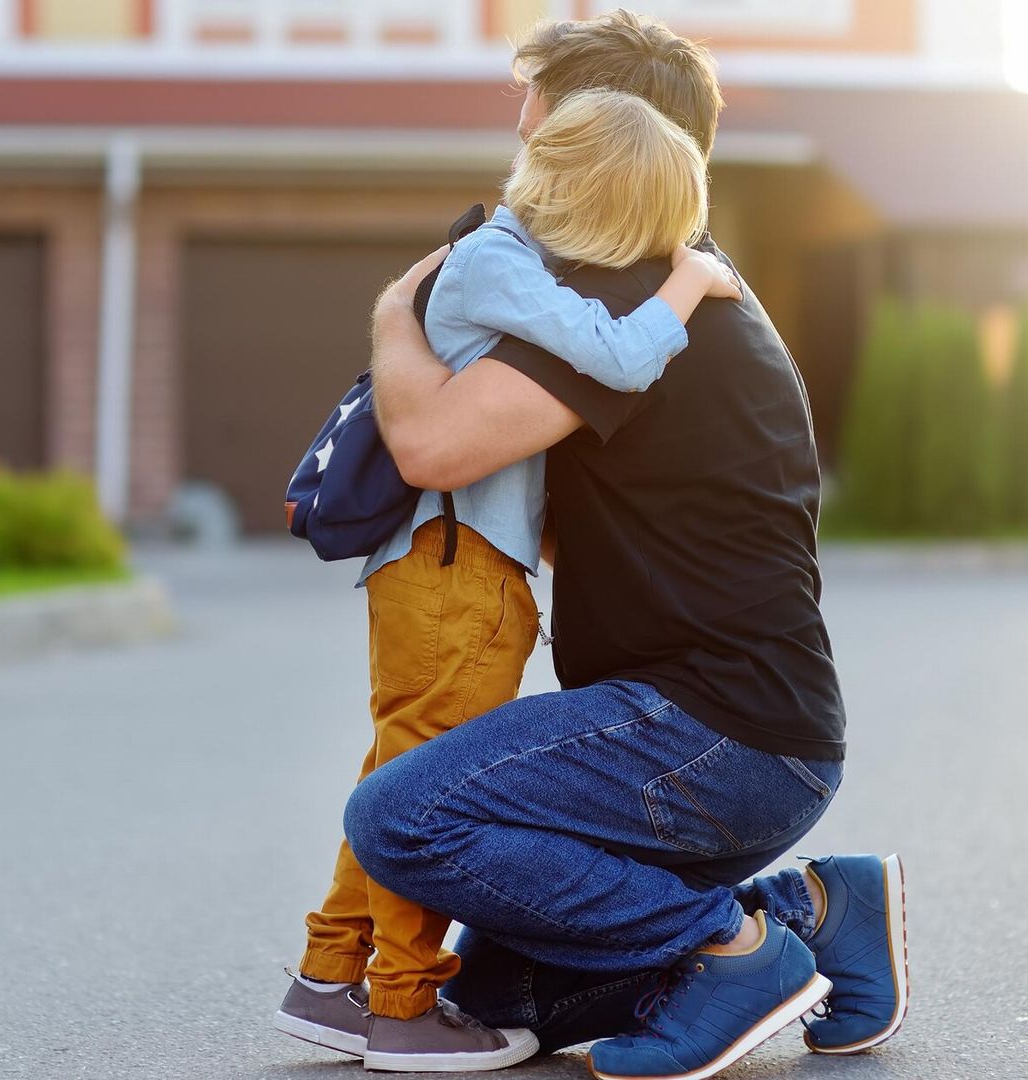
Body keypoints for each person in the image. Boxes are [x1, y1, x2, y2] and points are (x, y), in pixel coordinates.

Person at [337, 10, 908, 1080]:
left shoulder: (623, 292)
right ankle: (819, 911)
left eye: (535, 106)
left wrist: (395, 309)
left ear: (598, 126)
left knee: (403, 821)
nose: (520, 128)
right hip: (741, 739)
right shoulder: (670, 279)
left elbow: (429, 443)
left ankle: (731, 951)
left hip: (708, 736)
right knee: (503, 993)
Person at [275, 87, 742, 1071]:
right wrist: (691, 284)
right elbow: (618, 356)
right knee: (424, 795)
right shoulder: (499, 259)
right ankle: (400, 1003)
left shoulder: (497, 261)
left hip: (452, 571)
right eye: (645, 216)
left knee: (397, 772)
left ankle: (328, 978)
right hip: (455, 573)